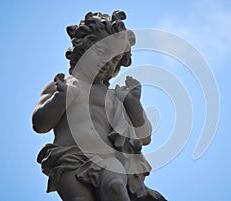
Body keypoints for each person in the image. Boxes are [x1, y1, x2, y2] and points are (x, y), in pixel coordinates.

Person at [32, 11, 166, 201]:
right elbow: (40, 123)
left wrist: (133, 103)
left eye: (115, 59)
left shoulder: (115, 97)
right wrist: (60, 99)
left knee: (116, 189)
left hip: (109, 160)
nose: (107, 63)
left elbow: (144, 137)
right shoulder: (63, 86)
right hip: (69, 159)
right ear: (83, 47)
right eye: (102, 52)